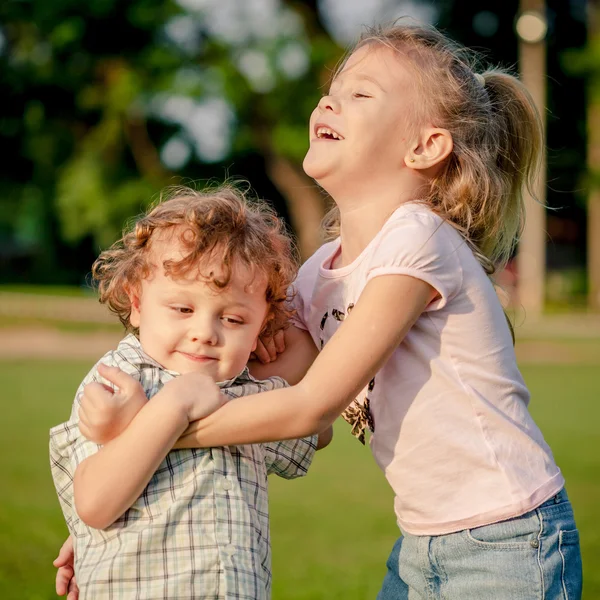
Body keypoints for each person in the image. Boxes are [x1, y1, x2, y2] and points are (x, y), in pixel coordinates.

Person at [57, 21, 583, 599]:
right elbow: (250, 392)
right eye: (333, 89)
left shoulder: (418, 241)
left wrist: (145, 431)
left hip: (508, 538)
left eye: (360, 94)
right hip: (420, 545)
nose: (329, 100)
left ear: (425, 146)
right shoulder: (317, 276)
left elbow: (309, 407)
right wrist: (117, 514)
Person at [49, 185, 331, 600]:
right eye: (182, 309)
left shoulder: (245, 390)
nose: (204, 334)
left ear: (261, 324)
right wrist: (177, 402)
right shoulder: (120, 381)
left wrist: (275, 334)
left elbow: (316, 428)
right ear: (137, 301)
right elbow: (94, 503)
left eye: (233, 319)